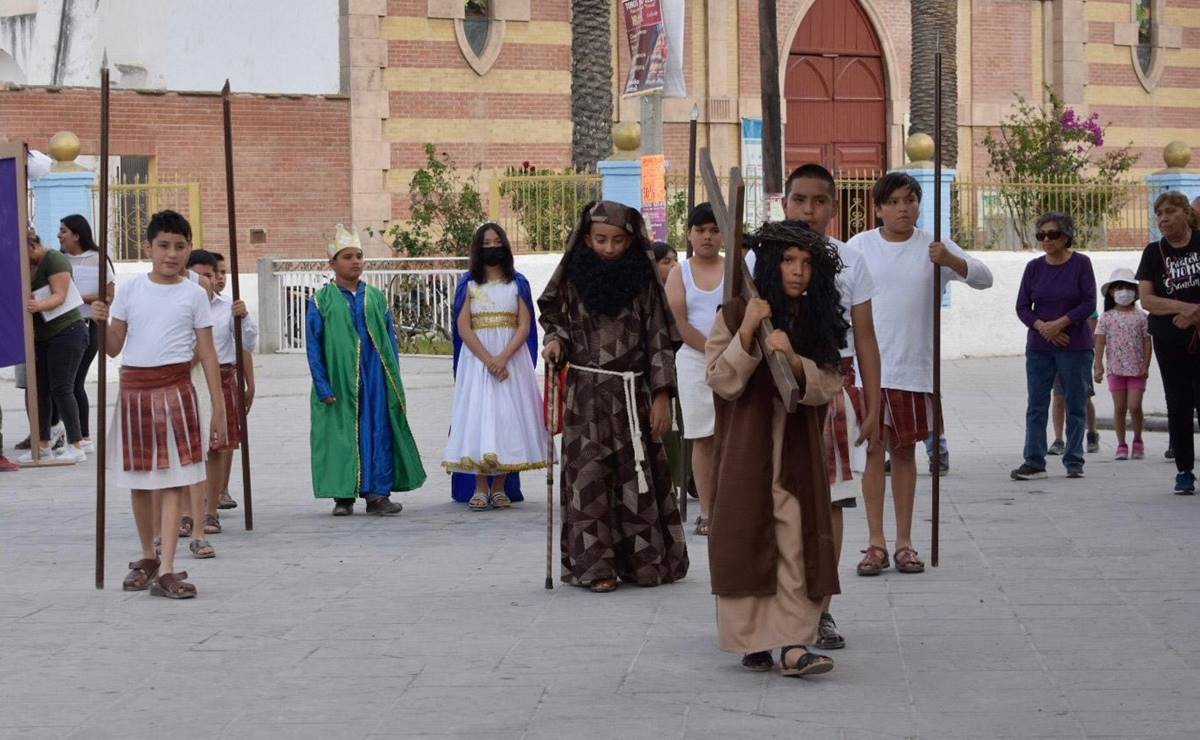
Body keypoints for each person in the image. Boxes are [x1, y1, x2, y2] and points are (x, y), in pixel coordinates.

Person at [705, 219, 846, 677]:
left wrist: (796, 361)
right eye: (788, 260)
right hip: (747, 449)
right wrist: (747, 332)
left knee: (793, 537)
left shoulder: (817, 320)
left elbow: (830, 382)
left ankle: (791, 643)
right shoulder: (733, 313)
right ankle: (754, 641)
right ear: (770, 263)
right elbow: (720, 380)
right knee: (747, 538)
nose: (798, 271)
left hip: (796, 450)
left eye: (807, 263)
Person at [538, 200, 687, 592]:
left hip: (633, 395)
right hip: (585, 398)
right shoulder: (572, 278)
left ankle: (644, 564)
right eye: (599, 239)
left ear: (630, 241)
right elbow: (555, 318)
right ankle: (594, 568)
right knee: (588, 479)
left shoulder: (644, 283)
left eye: (617, 240)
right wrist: (554, 341)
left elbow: (660, 341)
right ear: (586, 239)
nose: (607, 248)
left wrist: (662, 395)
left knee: (635, 478)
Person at [848, 172, 993, 576]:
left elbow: (984, 277)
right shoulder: (859, 248)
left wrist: (951, 261)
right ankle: (875, 542)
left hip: (914, 369)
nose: (903, 208)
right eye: (893, 201)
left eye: (910, 200)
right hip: (868, 370)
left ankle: (904, 543)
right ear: (877, 208)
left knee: (906, 454)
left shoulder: (933, 247)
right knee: (873, 451)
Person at [92, 210, 226, 599]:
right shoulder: (131, 290)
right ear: (148, 247)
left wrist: (217, 407)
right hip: (134, 390)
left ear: (188, 250)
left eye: (180, 247)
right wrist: (100, 323)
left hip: (177, 390)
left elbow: (208, 352)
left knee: (174, 479)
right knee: (139, 481)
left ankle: (167, 566)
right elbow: (114, 348)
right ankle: (146, 554)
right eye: (163, 246)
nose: (172, 254)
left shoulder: (194, 294)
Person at [780, 163, 882, 649]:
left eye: (819, 201)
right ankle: (774, 612)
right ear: (784, 203)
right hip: (776, 395)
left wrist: (874, 402)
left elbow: (864, 336)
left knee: (832, 501)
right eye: (800, 199)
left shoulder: (850, 260)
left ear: (833, 208)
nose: (808, 210)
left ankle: (821, 608)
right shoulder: (764, 257)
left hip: (834, 390)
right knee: (778, 502)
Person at [307, 225, 426, 515]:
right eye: (347, 256)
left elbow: (390, 340)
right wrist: (323, 384)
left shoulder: (376, 297)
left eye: (359, 255)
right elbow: (314, 346)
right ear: (332, 263)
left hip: (375, 379)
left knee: (378, 432)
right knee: (341, 435)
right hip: (339, 380)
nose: (355, 261)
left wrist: (392, 379)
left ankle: (378, 495)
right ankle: (342, 497)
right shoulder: (321, 301)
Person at [444, 222, 546, 510]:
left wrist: (503, 358)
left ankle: (500, 487)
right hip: (477, 361)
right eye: (485, 244)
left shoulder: (518, 284)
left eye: (496, 242)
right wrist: (488, 359)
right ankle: (478, 486)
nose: (491, 248)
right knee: (479, 417)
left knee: (505, 418)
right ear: (478, 249)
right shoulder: (469, 283)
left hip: (510, 360)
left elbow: (525, 325)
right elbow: (464, 327)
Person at [1011, 212, 1097, 481]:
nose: (1046, 239)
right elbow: (1023, 307)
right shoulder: (1033, 268)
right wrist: (1044, 329)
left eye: (1053, 234)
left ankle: (1074, 459)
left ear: (1066, 236)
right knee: (1036, 403)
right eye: (1041, 235)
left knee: (1076, 403)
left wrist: (1060, 324)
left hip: (1075, 344)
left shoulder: (1081, 264)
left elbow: (1088, 303)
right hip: (1040, 345)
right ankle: (1034, 461)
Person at [665, 203, 723, 536]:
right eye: (701, 230)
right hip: (692, 359)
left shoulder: (734, 270)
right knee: (703, 437)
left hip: (732, 360)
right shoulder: (679, 272)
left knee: (731, 437)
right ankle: (707, 511)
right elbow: (680, 322)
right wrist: (709, 350)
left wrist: (726, 353)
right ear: (689, 234)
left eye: (714, 230)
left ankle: (733, 507)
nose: (707, 236)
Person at [1137, 191, 1200, 494]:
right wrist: (1181, 307)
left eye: (1170, 211)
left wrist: (1194, 315)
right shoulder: (1153, 252)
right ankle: (1184, 470)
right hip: (1169, 340)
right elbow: (1147, 299)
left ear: (1186, 214)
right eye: (1159, 212)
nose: (1163, 218)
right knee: (1178, 403)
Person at [21, 230, 88, 464]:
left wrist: (35, 306)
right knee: (40, 390)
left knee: (62, 388)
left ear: (33, 244)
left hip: (67, 332)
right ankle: (42, 446)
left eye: (25, 251)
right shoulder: (28, 263)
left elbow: (60, 296)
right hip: (43, 337)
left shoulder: (54, 259)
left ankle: (76, 444)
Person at [59, 214, 115, 454]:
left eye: (63, 231)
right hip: (60, 325)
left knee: (74, 382)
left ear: (77, 234)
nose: (59, 236)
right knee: (62, 383)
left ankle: (83, 436)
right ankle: (65, 433)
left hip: (87, 324)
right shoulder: (58, 259)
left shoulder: (98, 259)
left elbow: (109, 295)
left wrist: (78, 297)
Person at [207, 252, 256, 512]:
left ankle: (220, 490)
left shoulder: (229, 307)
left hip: (225, 374)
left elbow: (245, 345)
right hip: (192, 377)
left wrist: (250, 383)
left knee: (224, 440)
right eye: (210, 273)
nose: (218, 278)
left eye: (220, 273)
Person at [1094, 267, 1151, 460]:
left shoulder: (1142, 316)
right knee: (1119, 408)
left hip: (1137, 369)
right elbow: (1100, 341)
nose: (1123, 291)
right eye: (1118, 287)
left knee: (1134, 406)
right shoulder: (1107, 317)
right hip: (1115, 369)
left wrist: (1146, 365)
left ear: (1136, 291)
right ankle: (1121, 443)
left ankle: (1137, 438)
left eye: (1127, 287)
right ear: (1111, 291)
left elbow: (1147, 341)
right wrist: (1098, 366)